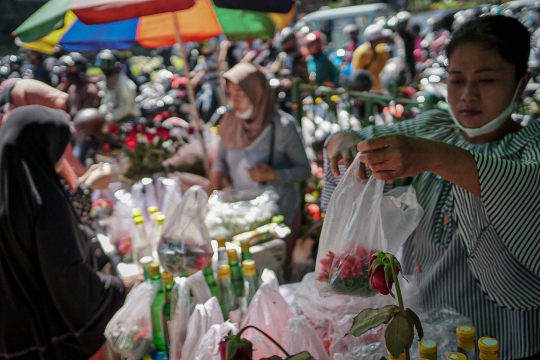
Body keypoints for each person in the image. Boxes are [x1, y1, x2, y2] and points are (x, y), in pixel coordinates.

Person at [324, 16, 540, 359]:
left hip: (505, 335)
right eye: (456, 80)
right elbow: (353, 145)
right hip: (426, 322)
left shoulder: (532, 145)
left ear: (520, 81)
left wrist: (435, 158)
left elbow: (527, 187)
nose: (468, 95)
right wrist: (345, 141)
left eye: (486, 79)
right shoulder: (434, 127)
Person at [0, 105, 132, 359]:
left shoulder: (11, 193)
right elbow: (68, 275)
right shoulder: (45, 202)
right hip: (53, 338)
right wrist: (119, 288)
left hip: (14, 337)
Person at [207, 63, 311, 274]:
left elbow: (304, 171)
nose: (233, 100)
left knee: (275, 273)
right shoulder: (229, 122)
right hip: (243, 217)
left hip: (278, 217)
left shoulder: (283, 127)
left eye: (240, 94)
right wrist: (213, 185)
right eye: (230, 94)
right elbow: (220, 160)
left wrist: (273, 175)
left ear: (257, 92)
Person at [96, 49, 140, 124]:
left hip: (128, 121)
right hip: (113, 120)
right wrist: (101, 115)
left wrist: (109, 119)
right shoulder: (107, 81)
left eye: (107, 63)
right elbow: (106, 103)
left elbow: (125, 107)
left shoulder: (123, 83)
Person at [57, 52, 101, 118]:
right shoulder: (72, 87)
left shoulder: (89, 89)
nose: (68, 73)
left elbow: (89, 116)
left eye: (71, 69)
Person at [351, 24, 390, 91]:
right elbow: (357, 74)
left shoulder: (382, 49)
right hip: (368, 91)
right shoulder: (361, 52)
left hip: (382, 89)